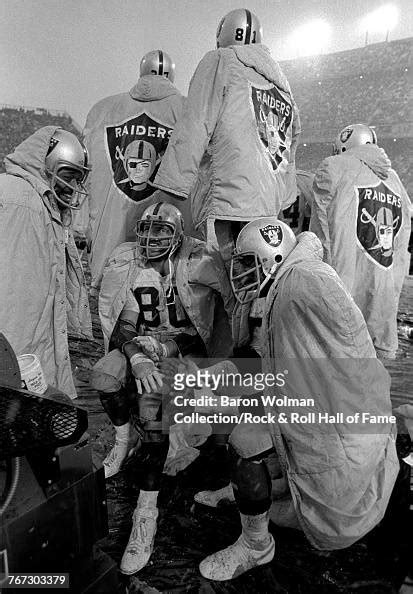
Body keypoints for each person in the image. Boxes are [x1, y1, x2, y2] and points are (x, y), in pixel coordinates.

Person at [198, 218, 399, 581]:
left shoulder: (304, 283)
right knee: (237, 406)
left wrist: (236, 394)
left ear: (273, 256)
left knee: (245, 439)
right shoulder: (291, 281)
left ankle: (256, 545)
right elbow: (280, 361)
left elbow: (321, 375)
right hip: (339, 410)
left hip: (342, 424)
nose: (241, 273)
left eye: (247, 263)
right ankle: (247, 494)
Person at [90, 202, 234, 575]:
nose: (151, 240)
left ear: (178, 234)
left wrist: (167, 348)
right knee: (104, 377)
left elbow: (202, 335)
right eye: (147, 230)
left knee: (155, 418)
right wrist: (138, 355)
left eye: (161, 232)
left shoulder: (197, 265)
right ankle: (123, 443)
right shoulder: (134, 267)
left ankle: (145, 515)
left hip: (180, 356)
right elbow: (124, 327)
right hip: (145, 350)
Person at [154, 8, 301, 273]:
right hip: (268, 207)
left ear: (222, 35)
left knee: (221, 282)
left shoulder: (220, 60)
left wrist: (173, 183)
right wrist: (285, 198)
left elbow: (196, 121)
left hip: (229, 200)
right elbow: (291, 147)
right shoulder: (283, 88)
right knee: (256, 280)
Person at [81, 50, 187, 294]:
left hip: (111, 253)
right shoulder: (188, 110)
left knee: (113, 314)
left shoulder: (103, 109)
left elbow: (88, 178)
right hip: (167, 254)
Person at [0, 126, 92, 399]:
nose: (73, 187)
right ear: (45, 163)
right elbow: (14, 296)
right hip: (14, 345)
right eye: (68, 175)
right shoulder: (18, 199)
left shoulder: (38, 200)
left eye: (78, 179)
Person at [311, 123, 411, 359]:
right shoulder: (396, 183)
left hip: (340, 295)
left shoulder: (334, 166)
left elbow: (320, 234)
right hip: (381, 302)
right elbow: (401, 248)